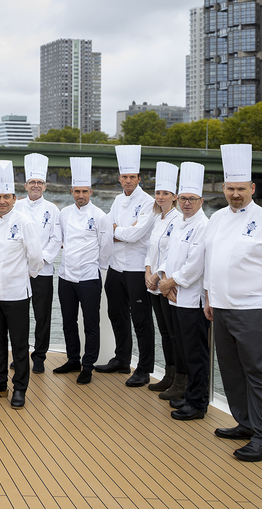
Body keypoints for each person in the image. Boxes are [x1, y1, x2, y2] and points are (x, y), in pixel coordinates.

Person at [202, 144, 262, 462]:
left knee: (259, 372)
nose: (235, 194)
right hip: (223, 307)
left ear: (252, 188)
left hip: (255, 310)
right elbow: (211, 260)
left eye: (241, 188)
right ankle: (245, 423)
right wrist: (209, 297)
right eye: (230, 188)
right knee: (231, 371)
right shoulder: (216, 218)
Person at [0, 162, 43, 409]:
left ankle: (20, 389)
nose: (2, 201)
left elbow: (35, 256)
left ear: (15, 198)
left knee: (18, 344)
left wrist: (27, 275)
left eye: (6, 196)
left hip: (17, 293)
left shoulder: (25, 221)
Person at [97, 145, 158, 388]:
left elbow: (136, 234)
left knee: (141, 319)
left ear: (139, 179)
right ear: (120, 178)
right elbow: (107, 230)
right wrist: (122, 231)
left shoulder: (148, 202)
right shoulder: (117, 199)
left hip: (136, 267)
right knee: (116, 314)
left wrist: (119, 231)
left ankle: (144, 368)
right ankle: (122, 359)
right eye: (125, 177)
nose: (128, 180)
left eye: (133, 177)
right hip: (115, 266)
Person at [155, 162, 210, 421]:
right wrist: (164, 278)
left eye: (192, 199)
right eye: (184, 198)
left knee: (196, 354)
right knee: (184, 350)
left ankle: (198, 403)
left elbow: (195, 264)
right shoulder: (181, 223)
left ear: (201, 200)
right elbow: (169, 255)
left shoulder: (203, 226)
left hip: (192, 299)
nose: (187, 203)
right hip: (175, 296)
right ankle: (189, 396)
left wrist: (170, 282)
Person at [53, 157, 113, 385]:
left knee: (90, 324)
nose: (81, 195)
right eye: (77, 191)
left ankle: (88, 366)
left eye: (84, 191)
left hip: (89, 278)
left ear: (91, 191)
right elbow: (62, 241)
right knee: (68, 321)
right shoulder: (64, 213)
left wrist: (95, 267)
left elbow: (106, 248)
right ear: (71, 191)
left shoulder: (100, 216)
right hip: (66, 277)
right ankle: (72, 359)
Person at [13, 153, 61, 374]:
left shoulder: (53, 209)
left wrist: (40, 260)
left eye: (39, 182)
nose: (36, 186)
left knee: (42, 315)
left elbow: (57, 239)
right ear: (25, 185)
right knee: (20, 315)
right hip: (19, 270)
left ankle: (39, 356)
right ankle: (20, 355)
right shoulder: (17, 207)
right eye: (32, 182)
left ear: (45, 186)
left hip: (43, 270)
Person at [143, 162, 182, 394]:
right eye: (157, 193)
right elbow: (150, 249)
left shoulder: (177, 220)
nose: (160, 197)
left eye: (165, 193)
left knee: (173, 332)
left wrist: (158, 274)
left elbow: (173, 253)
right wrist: (148, 271)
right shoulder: (157, 219)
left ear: (174, 196)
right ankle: (168, 374)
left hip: (167, 284)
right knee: (164, 331)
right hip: (154, 284)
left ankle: (178, 377)